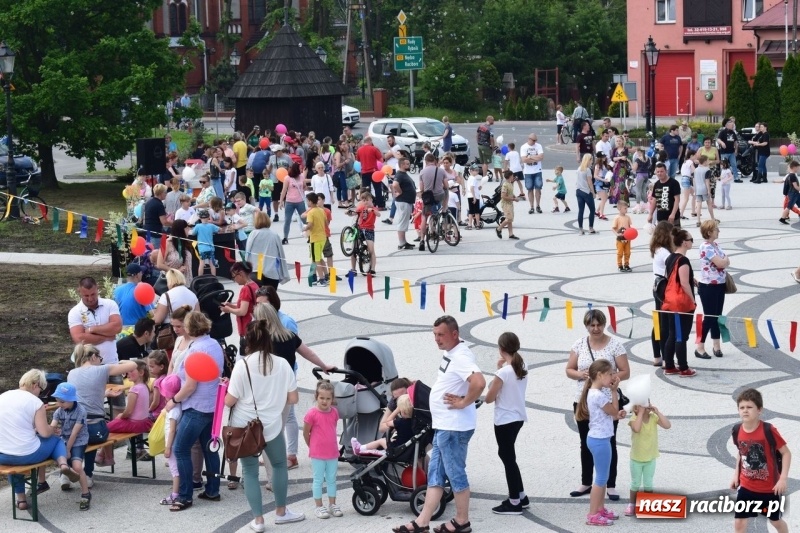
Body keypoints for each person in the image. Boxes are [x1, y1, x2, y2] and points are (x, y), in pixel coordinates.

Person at [392, 316, 485, 533]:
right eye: (434, 334)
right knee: (435, 474)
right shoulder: (451, 352)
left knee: (455, 474)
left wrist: (463, 402)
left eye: (441, 334)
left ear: (455, 334)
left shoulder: (461, 356)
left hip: (454, 428)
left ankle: (462, 522)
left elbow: (479, 382)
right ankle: (422, 522)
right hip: (444, 426)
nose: (436, 339)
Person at [225, 320, 305, 529]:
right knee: (279, 466)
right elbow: (294, 398)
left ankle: (258, 520)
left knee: (250, 471)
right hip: (271, 425)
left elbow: (229, 401)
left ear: (247, 342)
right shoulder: (282, 364)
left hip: (244, 427)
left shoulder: (242, 366)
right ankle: (281, 511)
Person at [565, 310, 629, 503]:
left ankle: (610, 484)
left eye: (599, 324)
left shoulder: (615, 345)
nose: (596, 329)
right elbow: (569, 369)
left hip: (608, 399)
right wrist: (581, 374)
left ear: (604, 324)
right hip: (583, 399)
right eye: (592, 325)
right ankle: (586, 481)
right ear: (586, 326)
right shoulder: (579, 344)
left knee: (609, 440)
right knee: (585, 441)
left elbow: (625, 371)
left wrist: (612, 380)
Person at [163, 311, 224, 511]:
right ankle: (213, 489)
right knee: (210, 448)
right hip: (212, 405)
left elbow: (190, 386)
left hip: (196, 406)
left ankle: (184, 495)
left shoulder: (194, 351)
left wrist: (173, 400)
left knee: (181, 449)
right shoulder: (214, 344)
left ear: (190, 328)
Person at [0, 369, 82, 511]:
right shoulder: (35, 402)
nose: (42, 394)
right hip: (27, 454)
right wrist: (52, 429)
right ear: (35, 384)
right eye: (42, 390)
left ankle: (21, 500)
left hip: (3, 455)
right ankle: (63, 464)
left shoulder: (3, 397)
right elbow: (44, 433)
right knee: (55, 439)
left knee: (15, 461)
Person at [67, 344, 137, 488]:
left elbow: (83, 395)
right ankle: (88, 474)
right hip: (94, 430)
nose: (101, 361)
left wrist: (104, 394)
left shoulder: (72, 373)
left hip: (71, 426)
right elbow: (133, 365)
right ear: (93, 357)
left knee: (80, 436)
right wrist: (120, 361)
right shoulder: (103, 369)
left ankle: (65, 474)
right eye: (100, 357)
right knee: (92, 438)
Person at [730, 388, 791, 533]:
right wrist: (736, 475)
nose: (745, 410)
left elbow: (786, 453)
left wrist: (782, 479)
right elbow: (741, 452)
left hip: (770, 489)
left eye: (749, 407)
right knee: (739, 522)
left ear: (759, 410)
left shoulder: (768, 430)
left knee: (775, 521)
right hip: (746, 487)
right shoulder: (737, 430)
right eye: (742, 407)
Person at [574, 359, 626, 526]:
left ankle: (600, 509)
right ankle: (592, 514)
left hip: (598, 438)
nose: (613, 376)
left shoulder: (593, 392)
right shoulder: (598, 395)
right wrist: (614, 392)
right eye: (610, 373)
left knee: (602, 478)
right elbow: (615, 413)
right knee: (601, 478)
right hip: (600, 440)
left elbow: (614, 413)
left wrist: (613, 391)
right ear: (600, 375)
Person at [484, 332, 529, 515]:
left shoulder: (503, 372)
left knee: (508, 458)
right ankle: (521, 495)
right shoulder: (522, 365)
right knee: (509, 456)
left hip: (504, 420)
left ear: (501, 349)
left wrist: (497, 370)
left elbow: (489, 398)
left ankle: (514, 501)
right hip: (518, 417)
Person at [68, 276, 124, 414]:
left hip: (111, 364)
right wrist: (107, 336)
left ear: (97, 289)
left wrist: (93, 330)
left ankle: (118, 431)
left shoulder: (110, 304)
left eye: (93, 294)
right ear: (79, 292)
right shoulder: (75, 312)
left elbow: (117, 327)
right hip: (87, 369)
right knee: (88, 404)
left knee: (119, 405)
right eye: (86, 295)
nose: (90, 298)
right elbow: (79, 338)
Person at [96, 359, 153, 466]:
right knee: (109, 429)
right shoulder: (145, 386)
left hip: (134, 424)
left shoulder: (134, 390)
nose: (128, 373)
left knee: (104, 429)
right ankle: (101, 455)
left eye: (131, 370)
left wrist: (121, 416)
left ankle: (107, 457)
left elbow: (129, 411)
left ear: (141, 373)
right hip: (144, 423)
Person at [304, 381, 343, 519]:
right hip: (318, 454)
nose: (325, 401)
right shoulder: (311, 414)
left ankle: (332, 504)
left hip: (332, 452)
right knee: (318, 479)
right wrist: (312, 446)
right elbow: (306, 432)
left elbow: (332, 428)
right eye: (322, 398)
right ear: (316, 396)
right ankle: (319, 506)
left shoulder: (334, 412)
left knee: (332, 479)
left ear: (332, 399)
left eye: (328, 398)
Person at [662, 229, 698, 377]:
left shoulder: (670, 257)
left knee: (672, 334)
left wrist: (691, 279)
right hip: (681, 303)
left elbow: (669, 277)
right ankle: (684, 368)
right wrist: (693, 300)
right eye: (691, 240)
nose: (692, 242)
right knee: (681, 336)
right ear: (684, 242)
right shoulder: (683, 260)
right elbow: (683, 283)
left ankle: (669, 365)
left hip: (670, 301)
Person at [625, 403, 672, 517]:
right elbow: (636, 429)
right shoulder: (634, 419)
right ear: (635, 409)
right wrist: (640, 413)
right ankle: (632, 504)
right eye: (641, 405)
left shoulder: (654, 418)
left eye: (646, 404)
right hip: (636, 458)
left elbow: (667, 425)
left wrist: (657, 412)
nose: (645, 407)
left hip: (650, 457)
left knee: (648, 483)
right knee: (635, 483)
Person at [50, 383, 91, 509]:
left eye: (62, 401)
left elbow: (75, 433)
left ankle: (86, 494)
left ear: (72, 400)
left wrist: (68, 449)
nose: (59, 404)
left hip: (79, 440)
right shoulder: (59, 411)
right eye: (57, 401)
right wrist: (52, 430)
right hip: (63, 439)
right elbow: (52, 426)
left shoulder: (81, 411)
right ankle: (65, 471)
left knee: (77, 467)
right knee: (60, 458)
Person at [695, 220, 730, 359]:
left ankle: (716, 345)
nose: (718, 231)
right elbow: (722, 262)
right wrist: (724, 261)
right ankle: (700, 346)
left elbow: (726, 260)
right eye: (716, 229)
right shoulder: (706, 247)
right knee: (709, 317)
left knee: (717, 315)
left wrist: (724, 261)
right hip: (708, 286)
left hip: (719, 284)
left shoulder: (716, 245)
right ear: (709, 232)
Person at [221, 262, 260, 355]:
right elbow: (247, 307)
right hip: (254, 326)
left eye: (234, 277)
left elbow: (242, 311)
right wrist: (231, 305)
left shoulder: (245, 289)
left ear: (241, 274)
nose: (234, 280)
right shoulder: (254, 285)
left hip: (247, 329)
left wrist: (228, 310)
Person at [649, 221, 674, 367]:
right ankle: (665, 358)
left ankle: (657, 356)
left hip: (657, 287)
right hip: (663, 288)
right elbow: (673, 264)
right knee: (664, 324)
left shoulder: (657, 248)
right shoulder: (664, 252)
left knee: (658, 322)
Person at [245, 210, 290, 288]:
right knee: (271, 296)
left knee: (258, 296)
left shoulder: (253, 234)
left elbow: (247, 252)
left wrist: (246, 267)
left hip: (257, 269)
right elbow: (281, 253)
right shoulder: (274, 235)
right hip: (271, 271)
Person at [159, 374, 183, 506]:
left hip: (172, 443)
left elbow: (172, 429)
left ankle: (175, 494)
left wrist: (167, 447)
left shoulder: (173, 410)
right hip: (176, 441)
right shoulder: (179, 406)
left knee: (175, 470)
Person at [418, 153, 446, 251]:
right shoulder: (441, 171)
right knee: (445, 192)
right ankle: (443, 210)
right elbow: (446, 185)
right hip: (439, 196)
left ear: (425, 162)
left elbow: (421, 188)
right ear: (434, 161)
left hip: (428, 197)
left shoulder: (422, 172)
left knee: (424, 216)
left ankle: (422, 239)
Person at [153, 219, 193, 286]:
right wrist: (176, 271)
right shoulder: (166, 243)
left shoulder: (185, 242)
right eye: (186, 228)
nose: (188, 230)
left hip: (187, 281)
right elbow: (159, 264)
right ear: (181, 230)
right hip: (173, 282)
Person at [349, 191, 379, 275]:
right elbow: (355, 212)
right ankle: (353, 269)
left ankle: (372, 269)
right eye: (363, 200)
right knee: (354, 248)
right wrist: (349, 213)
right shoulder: (361, 208)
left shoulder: (374, 208)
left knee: (371, 250)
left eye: (367, 200)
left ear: (371, 200)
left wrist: (372, 210)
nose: (365, 202)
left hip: (369, 230)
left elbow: (378, 214)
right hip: (360, 229)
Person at [303, 192, 329, 287]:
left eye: (307, 201)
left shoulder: (311, 212)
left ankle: (321, 279)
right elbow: (326, 223)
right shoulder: (321, 210)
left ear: (310, 201)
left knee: (316, 259)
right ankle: (326, 275)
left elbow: (310, 225)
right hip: (323, 237)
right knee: (319, 257)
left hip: (315, 238)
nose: (307, 203)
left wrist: (304, 228)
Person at [278, 162, 308, 244]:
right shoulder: (287, 178)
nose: (301, 170)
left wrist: (305, 188)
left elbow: (304, 186)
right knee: (287, 220)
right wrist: (281, 201)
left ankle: (310, 236)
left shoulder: (301, 176)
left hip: (300, 201)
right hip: (289, 202)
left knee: (305, 220)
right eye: (300, 168)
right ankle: (285, 237)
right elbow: (284, 190)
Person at [647, 162, 681, 227]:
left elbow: (677, 200)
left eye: (662, 171)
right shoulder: (656, 184)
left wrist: (673, 214)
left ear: (666, 171)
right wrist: (650, 214)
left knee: (675, 236)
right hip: (660, 218)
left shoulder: (674, 183)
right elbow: (654, 200)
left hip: (672, 217)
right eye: (658, 172)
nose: (659, 173)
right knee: (662, 237)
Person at [356, 137, 386, 209]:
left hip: (364, 172)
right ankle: (380, 205)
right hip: (374, 171)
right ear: (370, 141)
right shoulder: (374, 149)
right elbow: (380, 158)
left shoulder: (359, 150)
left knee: (366, 190)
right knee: (378, 188)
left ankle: (366, 205)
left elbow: (358, 160)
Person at [520, 134, 544, 214]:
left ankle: (538, 205)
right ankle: (531, 207)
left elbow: (541, 157)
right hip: (528, 172)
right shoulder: (523, 147)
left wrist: (530, 157)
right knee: (529, 189)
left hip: (537, 170)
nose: (535, 142)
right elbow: (524, 160)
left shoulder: (538, 146)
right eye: (533, 140)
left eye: (535, 140)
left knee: (538, 188)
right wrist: (534, 158)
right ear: (529, 139)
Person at [191, 209, 220, 277]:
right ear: (208, 217)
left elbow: (193, 233)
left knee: (201, 264)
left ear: (200, 218)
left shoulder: (198, 226)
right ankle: (214, 277)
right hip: (211, 248)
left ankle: (200, 278)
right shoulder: (211, 226)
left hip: (202, 249)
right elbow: (219, 229)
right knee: (212, 264)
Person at [575, 153, 597, 235]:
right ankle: (590, 227)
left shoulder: (579, 168)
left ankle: (580, 229)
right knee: (592, 209)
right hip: (586, 191)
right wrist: (593, 192)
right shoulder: (588, 170)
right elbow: (590, 182)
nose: (592, 161)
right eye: (591, 160)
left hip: (578, 190)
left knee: (581, 210)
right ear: (589, 160)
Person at [496, 170, 520, 240]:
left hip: (510, 203)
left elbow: (510, 193)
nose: (513, 177)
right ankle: (499, 229)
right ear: (509, 176)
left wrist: (514, 197)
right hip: (506, 204)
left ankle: (511, 234)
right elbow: (503, 196)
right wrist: (513, 199)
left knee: (510, 219)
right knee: (509, 218)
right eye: (512, 176)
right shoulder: (505, 184)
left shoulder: (510, 183)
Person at [693, 155, 716, 227]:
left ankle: (698, 220)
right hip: (704, 188)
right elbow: (707, 181)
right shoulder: (707, 170)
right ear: (705, 161)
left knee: (699, 204)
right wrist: (709, 190)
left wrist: (695, 189)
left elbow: (694, 180)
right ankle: (712, 218)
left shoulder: (696, 170)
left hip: (698, 189)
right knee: (709, 203)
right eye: (708, 160)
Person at [611, 200, 633, 272]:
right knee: (620, 252)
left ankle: (626, 264)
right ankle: (620, 265)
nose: (626, 210)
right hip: (620, 239)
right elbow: (613, 228)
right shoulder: (617, 218)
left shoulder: (628, 217)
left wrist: (631, 233)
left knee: (628, 252)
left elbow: (629, 226)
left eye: (627, 208)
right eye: (625, 208)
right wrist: (617, 234)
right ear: (620, 208)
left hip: (627, 238)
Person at [609, 135, 630, 205]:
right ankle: (616, 200)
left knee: (621, 183)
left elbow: (625, 158)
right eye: (617, 141)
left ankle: (624, 200)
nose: (618, 142)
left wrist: (618, 158)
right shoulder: (614, 149)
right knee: (614, 183)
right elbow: (613, 158)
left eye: (619, 141)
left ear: (622, 141)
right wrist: (620, 158)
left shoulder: (625, 149)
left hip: (622, 168)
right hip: (615, 168)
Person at [148, 350, 169, 417]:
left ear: (161, 367)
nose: (149, 369)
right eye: (149, 366)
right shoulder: (166, 377)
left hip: (157, 414)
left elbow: (155, 402)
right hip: (165, 411)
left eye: (152, 367)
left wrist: (148, 410)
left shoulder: (157, 382)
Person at [632, 147, 652, 214]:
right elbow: (649, 166)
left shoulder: (638, 159)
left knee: (638, 190)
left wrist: (629, 162)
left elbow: (634, 169)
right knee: (644, 190)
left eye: (637, 152)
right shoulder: (647, 158)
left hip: (640, 175)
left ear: (639, 152)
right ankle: (646, 205)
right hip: (646, 174)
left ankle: (638, 205)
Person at [779, 160, 800, 224]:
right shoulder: (792, 176)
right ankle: (782, 218)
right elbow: (795, 186)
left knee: (790, 206)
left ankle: (783, 218)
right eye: (798, 168)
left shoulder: (789, 176)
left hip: (793, 193)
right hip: (794, 194)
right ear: (794, 167)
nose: (799, 169)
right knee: (789, 207)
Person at [678, 149, 696, 220]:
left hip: (685, 179)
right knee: (686, 198)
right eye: (695, 155)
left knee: (694, 194)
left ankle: (693, 211)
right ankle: (681, 214)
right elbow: (694, 170)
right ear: (691, 156)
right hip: (686, 180)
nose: (695, 157)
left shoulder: (685, 162)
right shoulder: (690, 161)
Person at [594, 153, 611, 220]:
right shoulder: (597, 166)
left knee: (605, 198)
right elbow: (595, 175)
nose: (604, 158)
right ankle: (601, 214)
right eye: (603, 157)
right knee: (604, 199)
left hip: (604, 182)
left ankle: (597, 211)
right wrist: (603, 179)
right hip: (599, 183)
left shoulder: (604, 165)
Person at [465, 163, 482, 230]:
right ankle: (477, 224)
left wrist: (478, 187)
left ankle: (470, 225)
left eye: (477, 170)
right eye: (476, 170)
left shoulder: (470, 178)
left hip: (470, 196)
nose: (477, 172)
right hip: (474, 196)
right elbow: (472, 188)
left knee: (471, 211)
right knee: (476, 211)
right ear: (471, 171)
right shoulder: (473, 179)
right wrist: (474, 197)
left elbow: (473, 187)